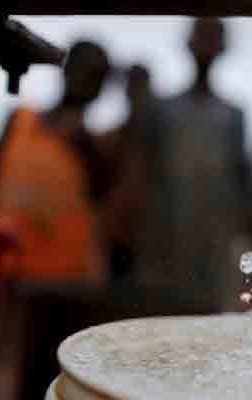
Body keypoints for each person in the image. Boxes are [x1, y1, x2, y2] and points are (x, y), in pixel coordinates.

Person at [133, 19, 252, 311]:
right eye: (202, 37)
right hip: (167, 238)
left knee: (210, 318)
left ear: (223, 47)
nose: (206, 46)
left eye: (213, 38)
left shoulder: (232, 116)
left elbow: (241, 181)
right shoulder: (163, 110)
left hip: (216, 242)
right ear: (188, 43)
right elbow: (144, 173)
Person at [0, 41, 111, 283]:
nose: (84, 79)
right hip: (4, 269)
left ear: (101, 87)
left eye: (95, 75)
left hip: (64, 280)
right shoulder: (19, 120)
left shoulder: (95, 146)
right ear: (65, 69)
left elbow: (104, 204)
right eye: (80, 68)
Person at [99, 65, 167, 280]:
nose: (136, 93)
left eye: (140, 86)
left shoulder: (163, 141)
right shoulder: (112, 138)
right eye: (132, 86)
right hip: (113, 239)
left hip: (148, 240)